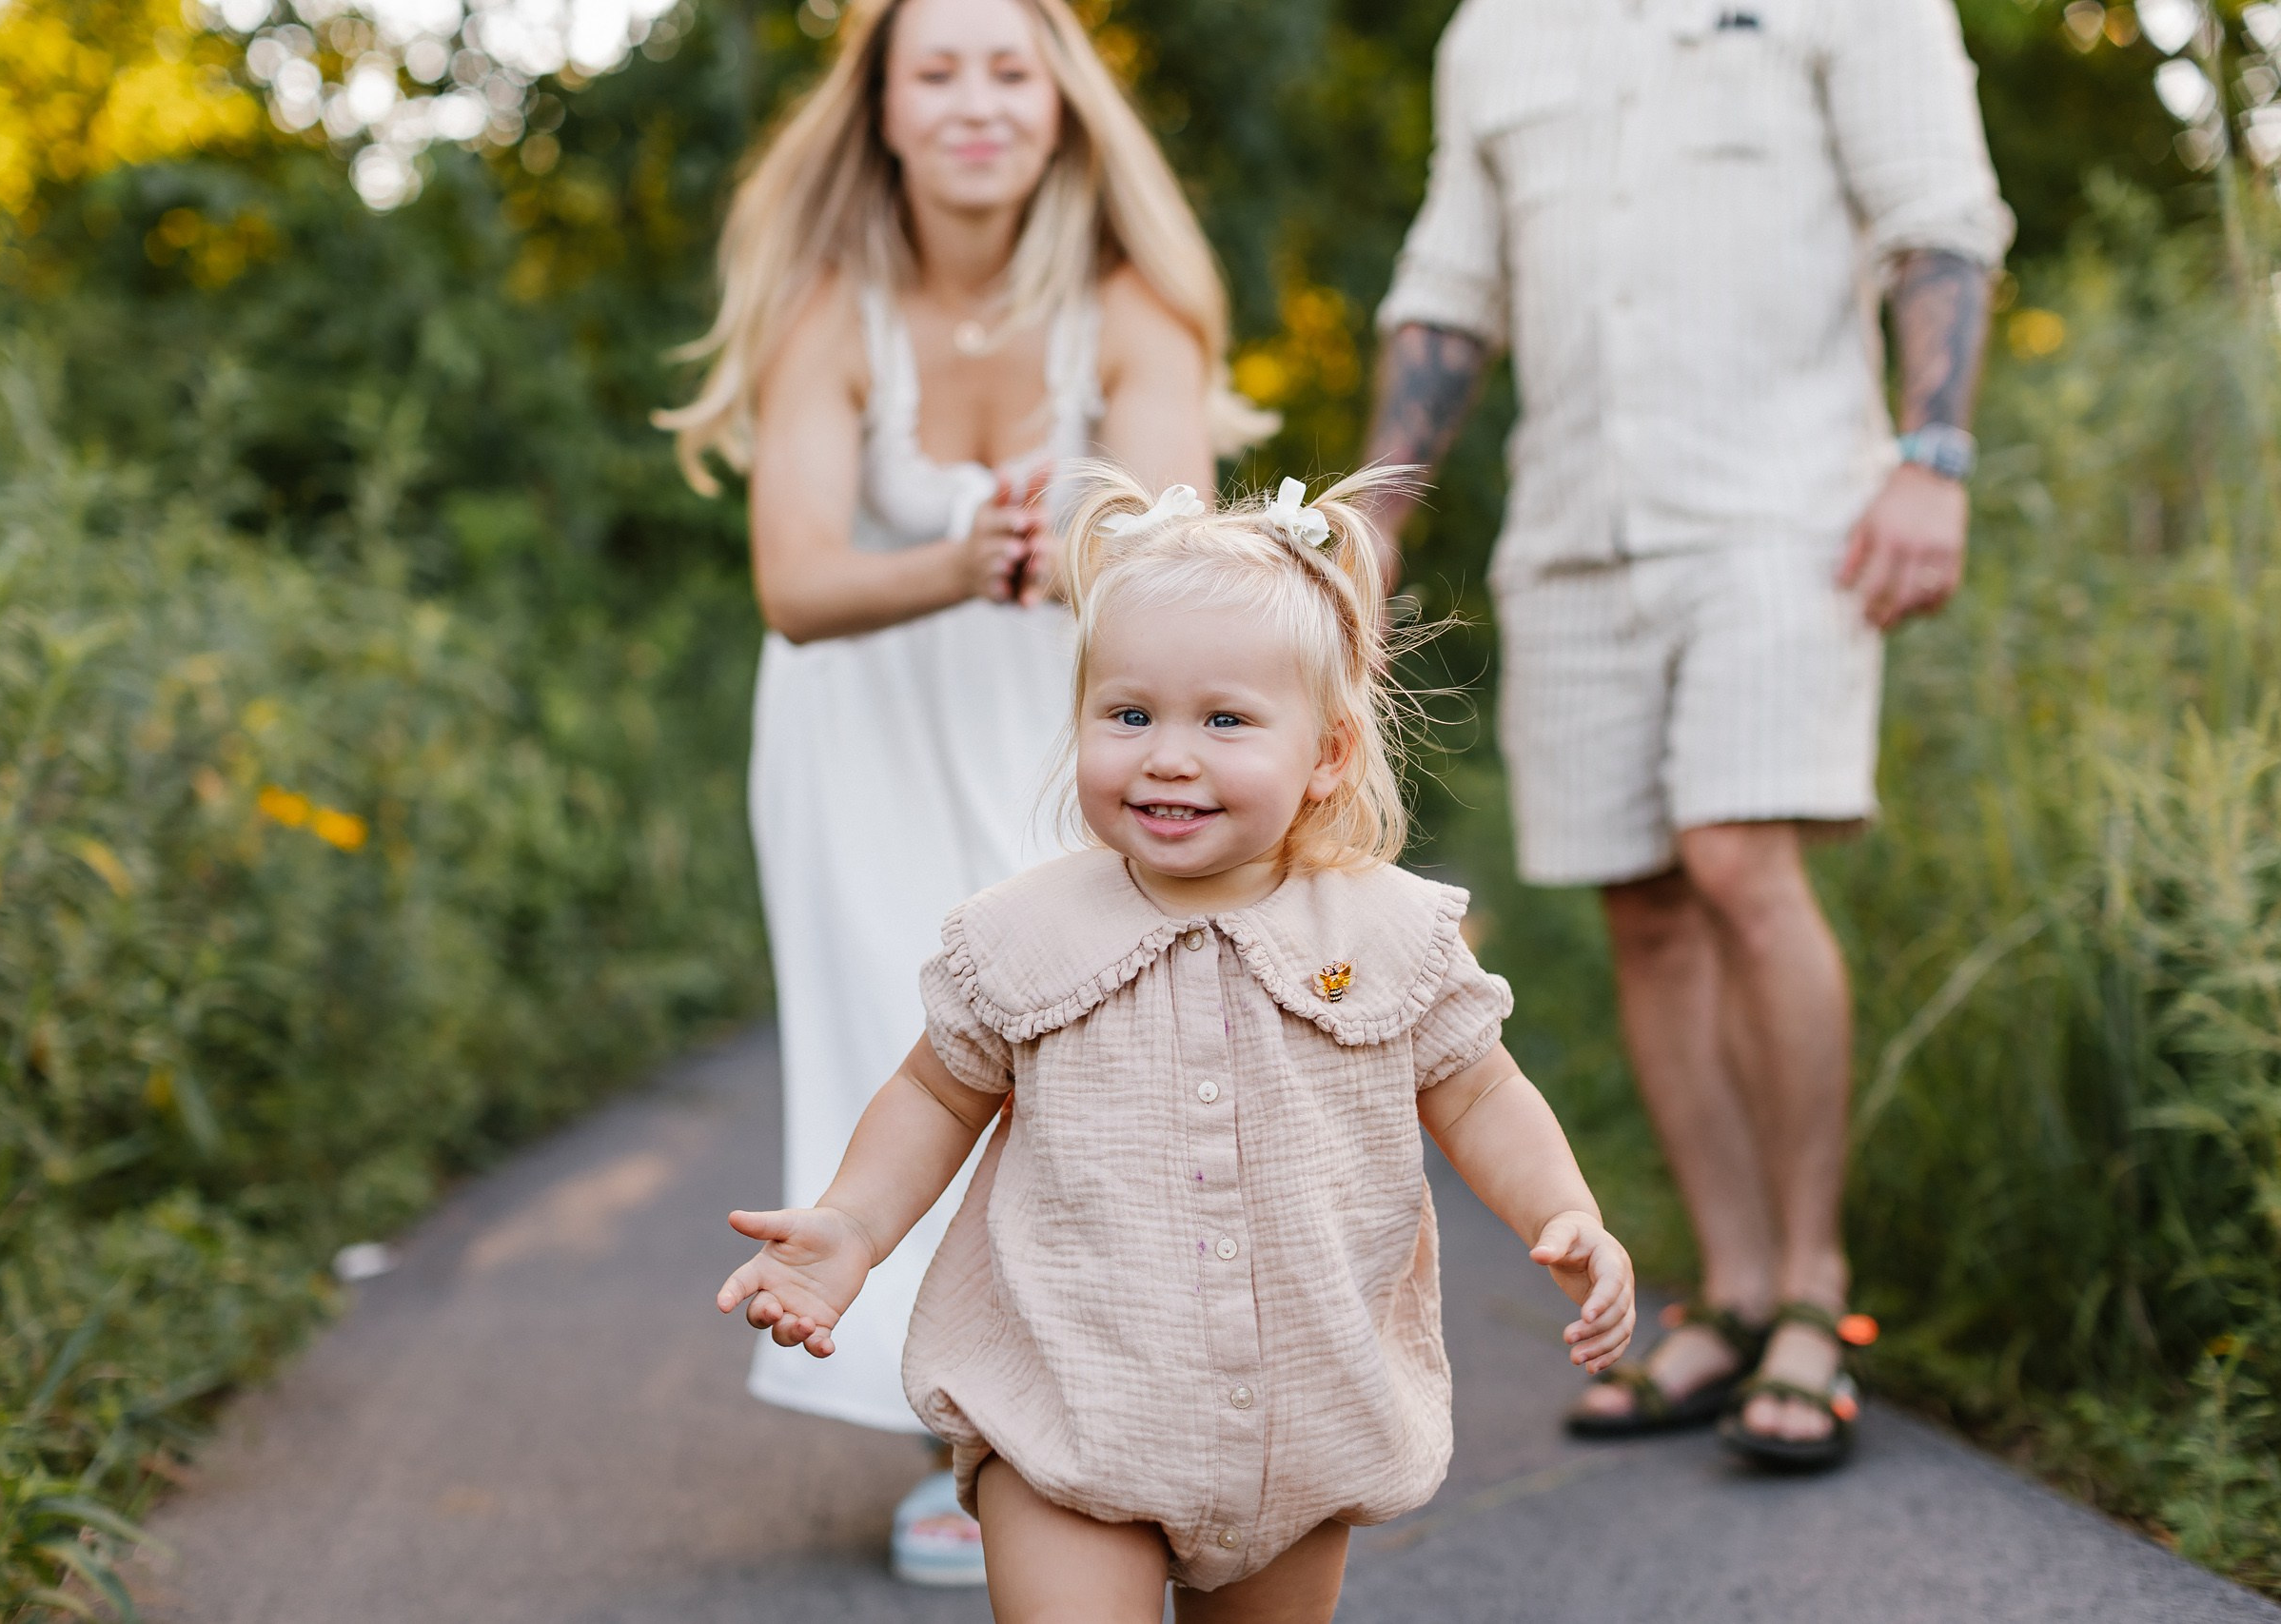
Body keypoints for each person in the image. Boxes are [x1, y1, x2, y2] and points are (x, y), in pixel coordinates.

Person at [713, 467, 1638, 1624]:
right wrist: (851, 1226)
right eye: (1129, 714)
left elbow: (1479, 1090)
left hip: (1295, 1426)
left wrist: (1564, 1211)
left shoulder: (1388, 933)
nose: (1167, 754)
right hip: (1069, 1408)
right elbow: (934, 1095)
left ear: (1329, 754)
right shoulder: (1021, 935)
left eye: (1226, 721)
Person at [657, 0, 1267, 1582]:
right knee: (908, 1039)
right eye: (940, 70)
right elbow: (795, 580)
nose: (979, 101)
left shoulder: (1139, 308)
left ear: (1060, 100)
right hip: (861, 714)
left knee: (1087, 1039)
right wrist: (961, 555)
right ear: (884, 106)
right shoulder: (826, 308)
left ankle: (1108, 1408)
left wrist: (1064, 558)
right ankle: (973, 1438)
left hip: (1067, 715)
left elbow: (1170, 560)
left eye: (1012, 67)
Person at [1357, 0, 2013, 1468]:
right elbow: (1449, 292)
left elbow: (1939, 225)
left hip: (1784, 514)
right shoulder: (1495, 35)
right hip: (1575, 533)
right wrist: (1376, 518)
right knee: (1645, 908)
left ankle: (1813, 1291)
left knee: (1736, 856)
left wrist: (1934, 457)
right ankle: (1727, 1294)